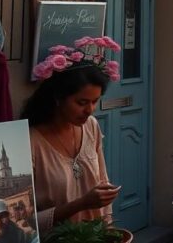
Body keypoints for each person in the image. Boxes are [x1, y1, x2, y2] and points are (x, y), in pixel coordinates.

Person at [23, 44, 122, 234]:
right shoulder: (31, 142)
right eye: (82, 102)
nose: (90, 110)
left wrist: (109, 230)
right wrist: (81, 204)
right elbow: (25, 223)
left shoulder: (91, 126)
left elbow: (103, 183)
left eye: (95, 102)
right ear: (58, 98)